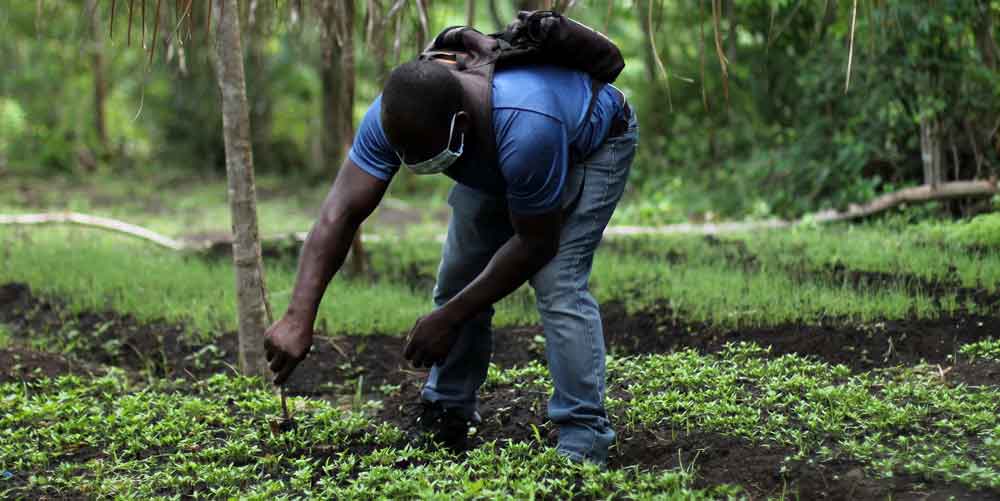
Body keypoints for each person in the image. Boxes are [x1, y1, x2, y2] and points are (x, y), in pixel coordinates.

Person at [263, 56, 638, 466]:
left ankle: (583, 437)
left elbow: (536, 245)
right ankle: (447, 409)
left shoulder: (528, 127)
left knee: (558, 283)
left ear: (459, 124)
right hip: (496, 153)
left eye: (422, 154)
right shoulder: (394, 115)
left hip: (588, 143)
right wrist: (298, 316)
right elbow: (339, 213)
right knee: (460, 274)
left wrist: (450, 317)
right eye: (402, 153)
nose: (410, 163)